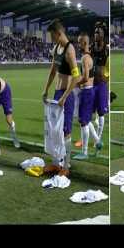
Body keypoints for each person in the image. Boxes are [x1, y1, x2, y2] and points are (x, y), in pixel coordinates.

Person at [42, 19, 80, 176]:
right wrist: (46, 90)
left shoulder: (70, 50)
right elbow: (53, 71)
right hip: (57, 94)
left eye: (52, 35)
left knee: (65, 131)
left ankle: (67, 166)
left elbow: (76, 77)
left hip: (67, 95)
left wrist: (64, 96)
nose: (51, 39)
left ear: (59, 34)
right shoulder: (56, 48)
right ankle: (56, 163)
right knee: (54, 130)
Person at [73, 33, 103, 160]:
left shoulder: (85, 58)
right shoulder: (88, 57)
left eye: (79, 42)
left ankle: (84, 152)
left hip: (86, 92)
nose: (78, 44)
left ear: (84, 43)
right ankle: (98, 141)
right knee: (87, 120)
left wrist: (75, 83)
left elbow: (85, 77)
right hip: (88, 91)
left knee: (83, 123)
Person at [91, 22, 109, 142]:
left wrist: (107, 79)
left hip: (102, 84)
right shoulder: (90, 48)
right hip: (91, 84)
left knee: (101, 113)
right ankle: (96, 139)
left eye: (98, 32)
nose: (95, 34)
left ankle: (99, 138)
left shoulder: (107, 49)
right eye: (95, 32)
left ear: (103, 35)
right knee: (90, 114)